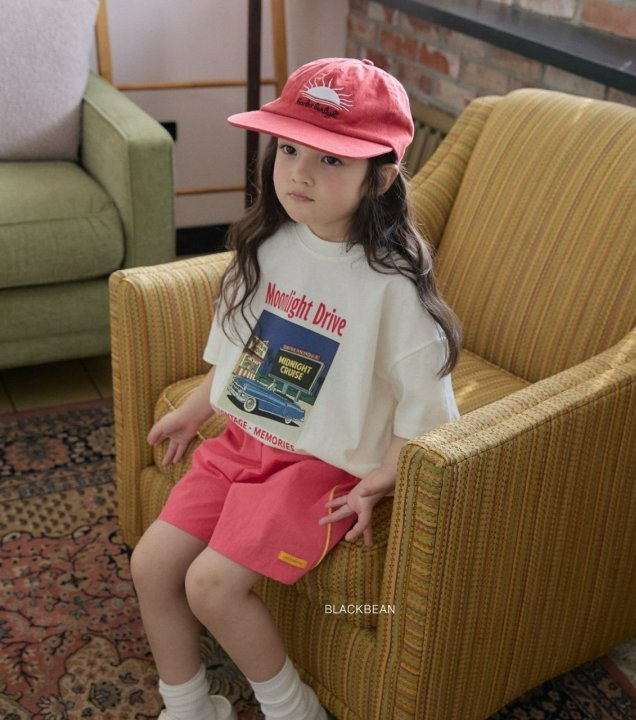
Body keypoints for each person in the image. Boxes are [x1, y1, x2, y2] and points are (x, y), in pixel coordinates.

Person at [130, 57, 462, 720]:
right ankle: (189, 706)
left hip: (316, 468)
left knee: (211, 586)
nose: (299, 173)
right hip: (241, 442)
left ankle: (293, 710)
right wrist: (196, 409)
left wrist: (384, 476)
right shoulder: (269, 244)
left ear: (380, 177)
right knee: (150, 565)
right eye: (288, 149)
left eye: (330, 158)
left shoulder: (393, 285)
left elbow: (430, 407)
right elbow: (241, 351)